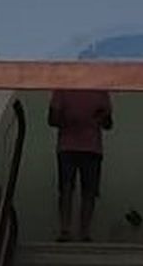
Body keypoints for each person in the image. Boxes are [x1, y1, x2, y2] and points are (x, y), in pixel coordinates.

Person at [48, 88, 112, 241]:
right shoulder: (62, 89)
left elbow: (109, 123)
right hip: (68, 147)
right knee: (66, 188)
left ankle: (85, 231)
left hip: (91, 147)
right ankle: (65, 230)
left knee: (89, 191)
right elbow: (51, 119)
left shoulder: (101, 92)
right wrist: (70, 120)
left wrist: (101, 117)